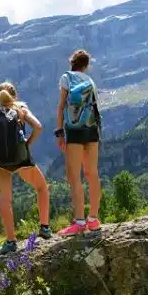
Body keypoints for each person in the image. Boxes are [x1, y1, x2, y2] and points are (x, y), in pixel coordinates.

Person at [0, 81, 51, 254]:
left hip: (0, 163)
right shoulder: (22, 110)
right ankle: (44, 227)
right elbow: (39, 127)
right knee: (42, 188)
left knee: (5, 200)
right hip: (21, 160)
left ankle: (11, 242)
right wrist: (27, 144)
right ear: (15, 95)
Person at [54, 49, 102, 236]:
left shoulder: (66, 78)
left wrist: (59, 133)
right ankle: (94, 219)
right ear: (86, 65)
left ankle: (80, 222)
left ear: (71, 62)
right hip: (92, 129)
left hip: (74, 131)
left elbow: (61, 107)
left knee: (74, 176)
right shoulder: (90, 82)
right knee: (92, 173)